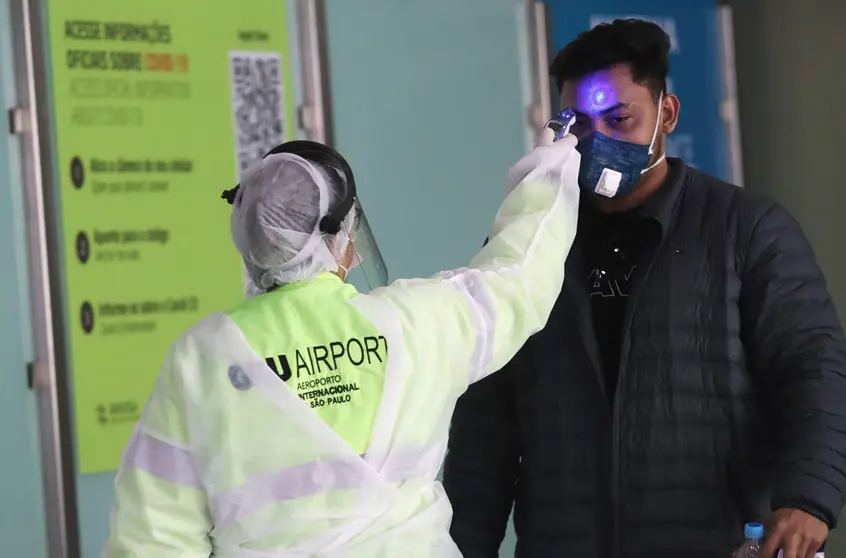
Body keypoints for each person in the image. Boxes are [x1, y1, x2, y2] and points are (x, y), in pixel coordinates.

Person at [443, 19, 846, 558]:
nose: (600, 142)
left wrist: (808, 500)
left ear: (667, 113)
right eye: (581, 126)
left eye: (621, 119)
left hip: (713, 540)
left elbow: (813, 369)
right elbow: (485, 426)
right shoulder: (527, 248)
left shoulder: (744, 229)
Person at [102, 131, 581, 557]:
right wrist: (550, 170)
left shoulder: (204, 358)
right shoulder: (415, 324)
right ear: (342, 239)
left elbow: (153, 537)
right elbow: (519, 278)